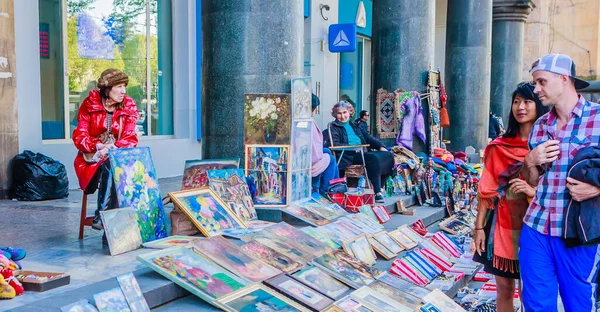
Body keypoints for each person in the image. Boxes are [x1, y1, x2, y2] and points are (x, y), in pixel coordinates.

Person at [520, 53, 600, 312]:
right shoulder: (540, 126)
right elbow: (532, 180)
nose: (536, 89)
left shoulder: (598, 118)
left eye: (541, 82)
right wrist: (530, 161)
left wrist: (597, 188)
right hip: (537, 228)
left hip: (578, 233)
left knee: (579, 305)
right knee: (536, 305)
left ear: (564, 79)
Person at [473, 82, 549, 312]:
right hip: (500, 226)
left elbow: (557, 190)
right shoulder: (498, 147)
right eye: (516, 101)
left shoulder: (547, 147)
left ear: (538, 106)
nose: (521, 107)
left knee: (532, 290)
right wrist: (478, 229)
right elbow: (486, 192)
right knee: (504, 290)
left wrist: (532, 191)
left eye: (527, 101)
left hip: (536, 226)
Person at [73, 69, 140, 236]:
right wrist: (97, 146)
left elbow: (130, 138)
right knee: (112, 166)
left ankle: (102, 216)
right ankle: (106, 221)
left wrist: (111, 148)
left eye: (124, 86)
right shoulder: (90, 104)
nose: (123, 91)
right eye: (118, 86)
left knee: (115, 164)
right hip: (91, 159)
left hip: (117, 156)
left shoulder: (128, 106)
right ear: (107, 89)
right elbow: (79, 136)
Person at [324, 101, 394, 203]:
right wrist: (353, 147)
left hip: (361, 152)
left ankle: (380, 186)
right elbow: (335, 144)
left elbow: (367, 137)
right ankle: (377, 192)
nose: (342, 116)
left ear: (349, 112)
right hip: (347, 155)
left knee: (388, 155)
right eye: (339, 113)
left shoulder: (355, 125)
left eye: (345, 112)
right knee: (373, 158)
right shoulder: (333, 127)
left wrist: (380, 146)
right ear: (335, 114)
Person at [310, 94, 339, 195]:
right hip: (308, 161)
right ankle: (327, 191)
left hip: (310, 155)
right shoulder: (308, 124)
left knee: (327, 152)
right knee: (331, 159)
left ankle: (333, 189)